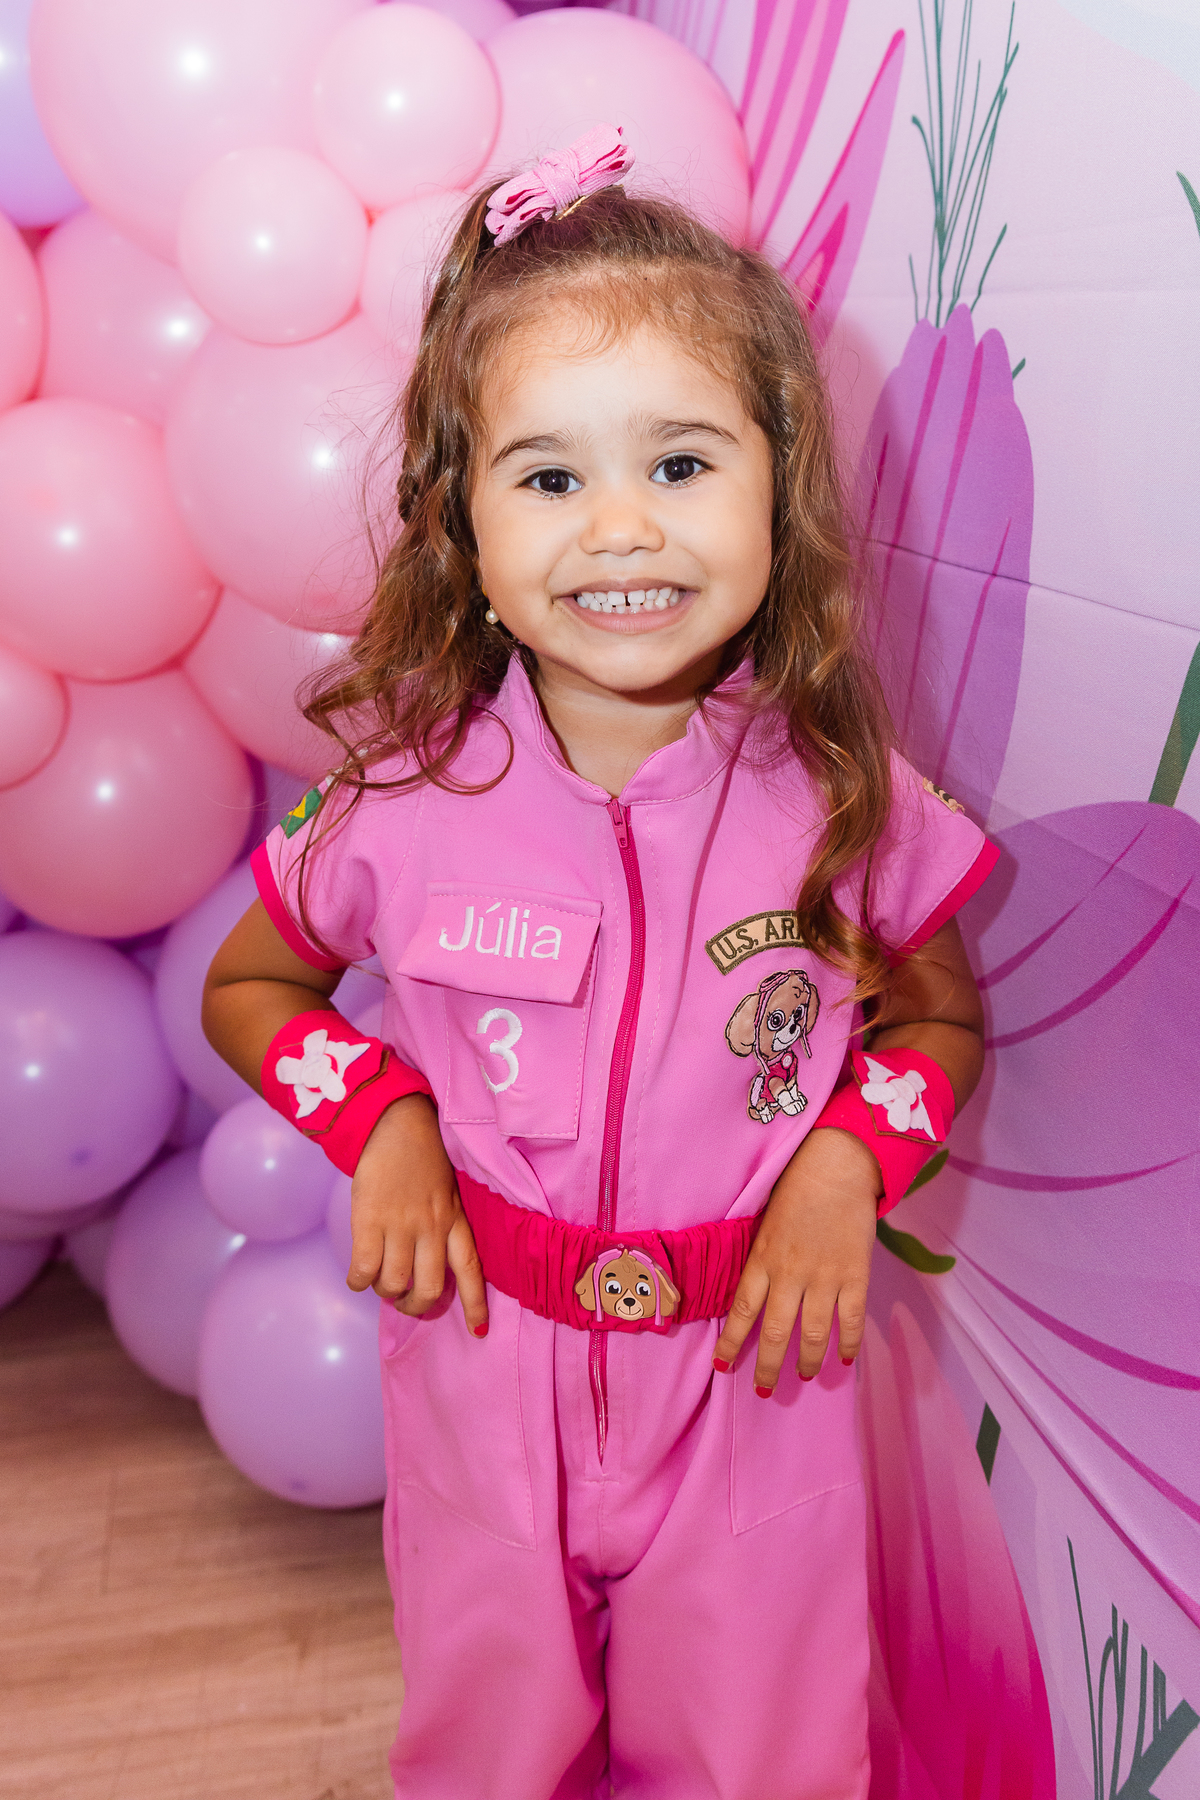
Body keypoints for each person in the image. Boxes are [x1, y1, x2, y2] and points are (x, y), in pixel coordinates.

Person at [203, 125, 995, 1800]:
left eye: (682, 464)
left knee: (762, 1761)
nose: (621, 530)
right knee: (492, 1753)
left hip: (759, 1385)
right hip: (481, 1370)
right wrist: (383, 1120)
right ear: (463, 526)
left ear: (779, 483)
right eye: (551, 479)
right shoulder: (401, 798)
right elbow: (249, 988)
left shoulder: (849, 793)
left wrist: (849, 1161)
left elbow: (937, 1017)